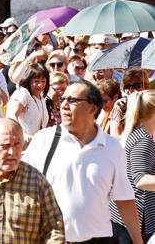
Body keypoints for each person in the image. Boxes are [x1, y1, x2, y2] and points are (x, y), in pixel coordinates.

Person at [22, 80, 143, 243]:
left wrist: (138, 241)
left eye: (72, 100)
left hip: (99, 240)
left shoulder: (112, 147)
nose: (63, 105)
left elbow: (125, 200)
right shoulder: (44, 139)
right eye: (62, 99)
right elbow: (21, 187)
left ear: (93, 107)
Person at [109, 90, 155, 243]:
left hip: (126, 216)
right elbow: (140, 179)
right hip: (136, 218)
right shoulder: (143, 139)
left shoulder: (135, 133)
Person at [6, 63, 49, 141]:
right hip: (21, 144)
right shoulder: (23, 93)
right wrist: (22, 135)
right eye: (36, 81)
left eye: (43, 81)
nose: (40, 85)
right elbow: (11, 115)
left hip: (37, 144)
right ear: (29, 80)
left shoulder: (41, 97)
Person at [109, 69, 150, 137]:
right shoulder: (121, 104)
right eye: (127, 86)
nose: (130, 90)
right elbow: (115, 134)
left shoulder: (151, 104)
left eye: (136, 86)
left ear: (146, 86)